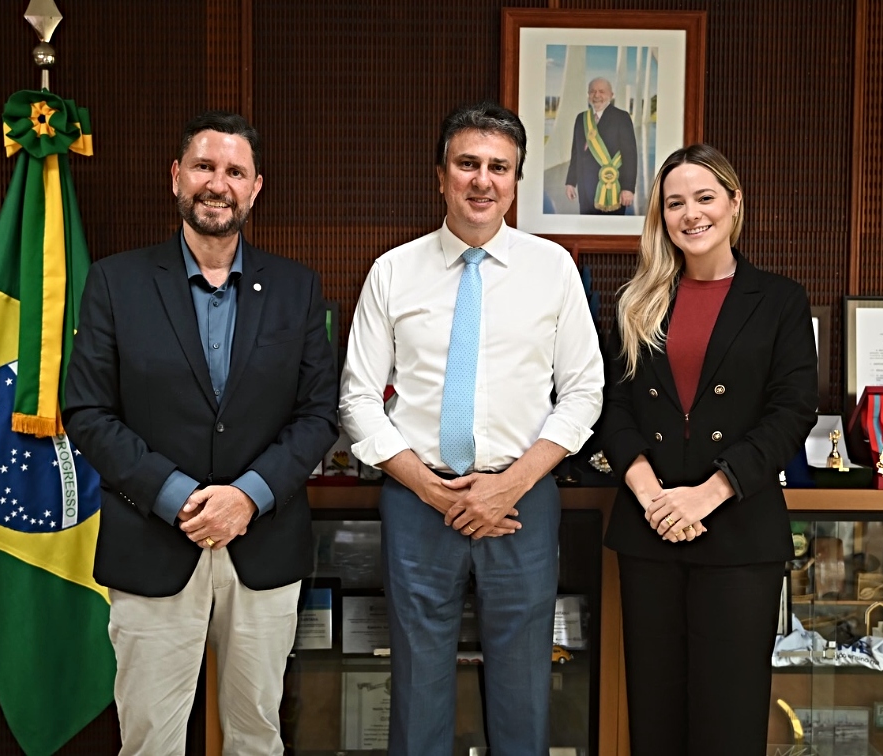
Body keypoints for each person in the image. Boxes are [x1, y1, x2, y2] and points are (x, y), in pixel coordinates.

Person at [63, 110, 338, 755]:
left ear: (256, 187)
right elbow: (88, 412)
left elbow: (319, 413)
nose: (218, 183)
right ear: (177, 177)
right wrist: (177, 495)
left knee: (256, 737)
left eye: (235, 171)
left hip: (262, 545)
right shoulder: (115, 282)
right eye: (205, 167)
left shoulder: (297, 288)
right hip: (152, 541)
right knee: (150, 741)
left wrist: (246, 496)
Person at [339, 102, 604, 755]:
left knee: (522, 691)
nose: (482, 180)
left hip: (523, 501)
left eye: (498, 167)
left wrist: (508, 485)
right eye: (467, 165)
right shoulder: (394, 271)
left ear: (516, 181)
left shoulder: (553, 269)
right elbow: (357, 399)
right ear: (440, 175)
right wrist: (430, 489)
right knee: (418, 686)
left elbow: (583, 392)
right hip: (416, 498)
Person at [596, 143, 818, 755]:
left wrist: (709, 494)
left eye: (704, 197)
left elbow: (792, 410)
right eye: (674, 203)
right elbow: (611, 409)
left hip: (740, 532)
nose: (690, 214)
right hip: (650, 532)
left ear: (734, 203)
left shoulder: (779, 301)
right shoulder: (634, 302)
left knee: (730, 718)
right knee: (655, 715)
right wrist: (651, 495)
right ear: (660, 217)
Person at [565, 77, 638, 215]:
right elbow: (576, 154)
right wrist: (570, 182)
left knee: (611, 232)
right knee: (587, 230)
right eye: (592, 91)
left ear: (611, 95)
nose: (596, 95)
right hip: (585, 189)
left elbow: (630, 155)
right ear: (588, 95)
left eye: (601, 91)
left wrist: (628, 188)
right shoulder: (581, 118)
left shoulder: (621, 117)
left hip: (613, 187)